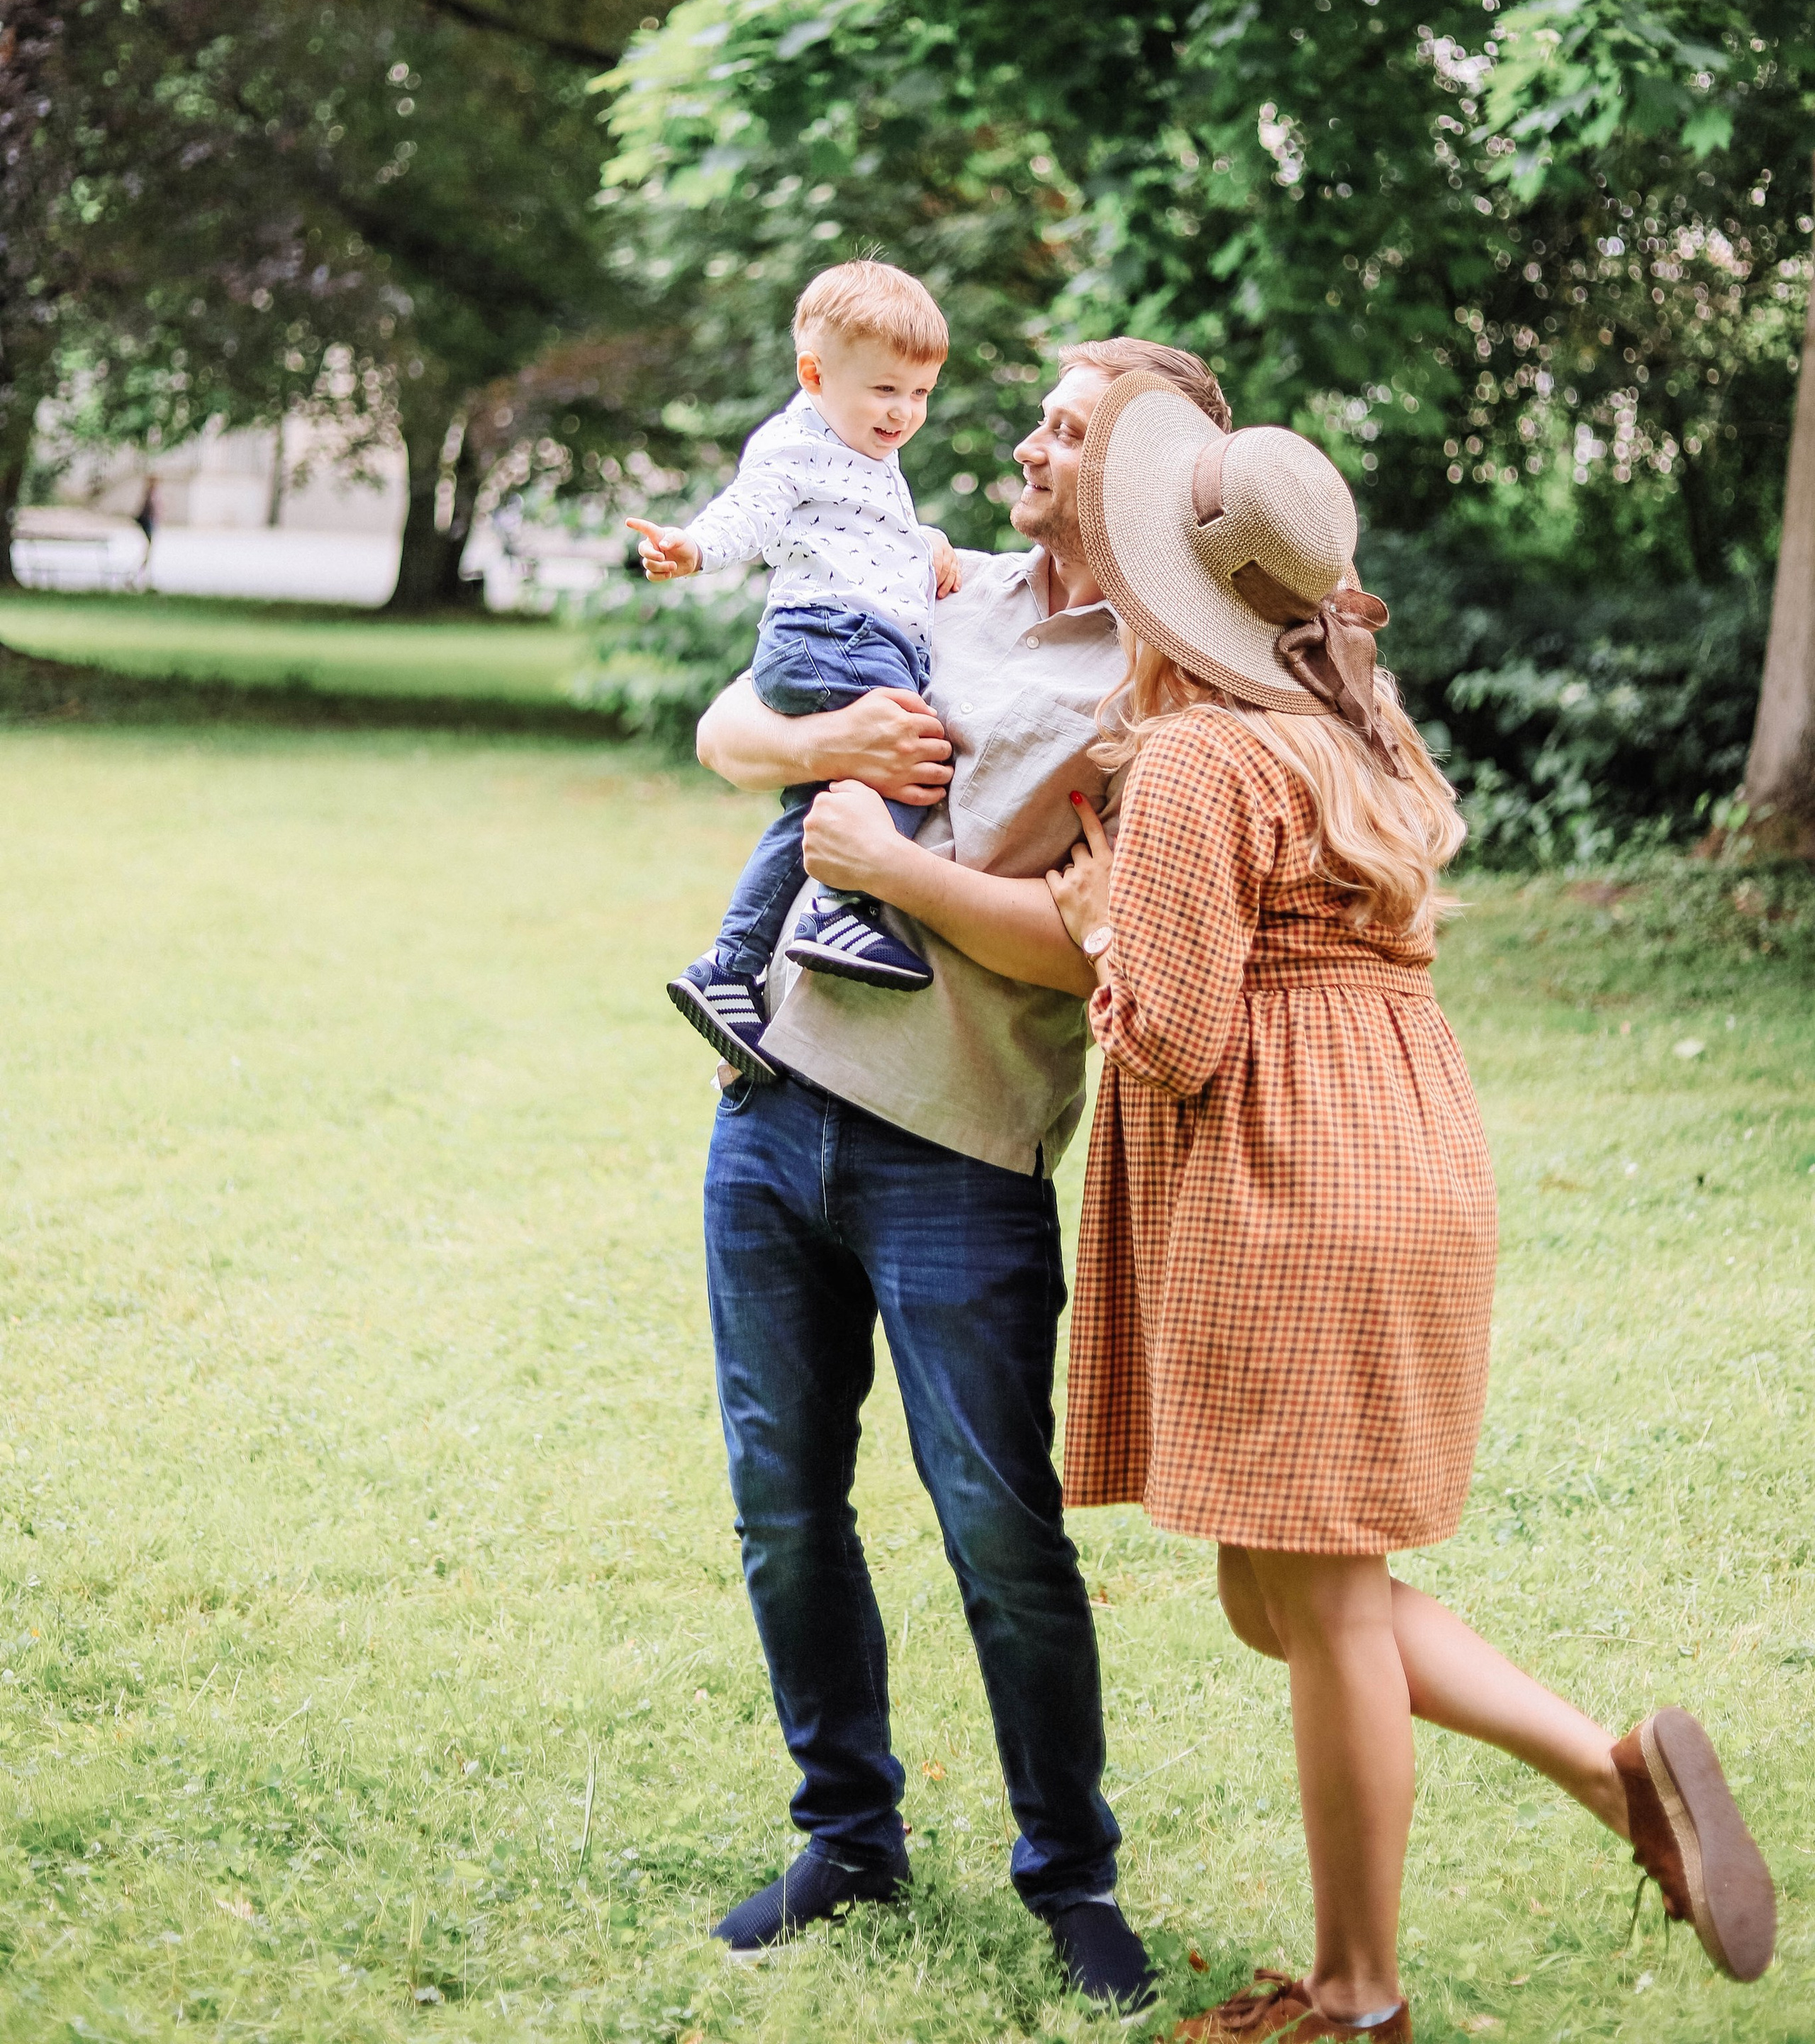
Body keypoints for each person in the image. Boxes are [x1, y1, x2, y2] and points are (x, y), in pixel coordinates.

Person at [1041, 372, 1777, 2042]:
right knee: (1284, 1593)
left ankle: (1357, 1995)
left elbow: (1174, 1032)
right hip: (1406, 1148)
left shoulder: (1192, 761)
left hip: (1288, 1175)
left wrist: (1097, 934)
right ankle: (1613, 1778)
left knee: (1314, 1604)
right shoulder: (1355, 727)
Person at [691, 336, 1232, 2015]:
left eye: (1064, 430)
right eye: (1040, 415)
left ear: (1131, 476)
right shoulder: (941, 581)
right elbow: (730, 723)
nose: (1024, 443)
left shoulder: (1162, 689)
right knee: (783, 1509)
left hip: (959, 1157)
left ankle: (1068, 1876)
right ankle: (846, 1831)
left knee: (1000, 1533)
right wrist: (814, 755)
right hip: (769, 1104)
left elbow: (1108, 960)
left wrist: (884, 871)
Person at [628, 262, 963, 1072]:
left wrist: (924, 548)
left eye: (919, 394)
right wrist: (694, 548)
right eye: (886, 390)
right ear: (815, 374)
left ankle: (729, 968)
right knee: (910, 756)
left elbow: (854, 540)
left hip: (852, 632)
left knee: (814, 809)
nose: (904, 413)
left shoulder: (864, 454)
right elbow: (751, 512)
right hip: (828, 636)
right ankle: (835, 912)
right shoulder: (795, 442)